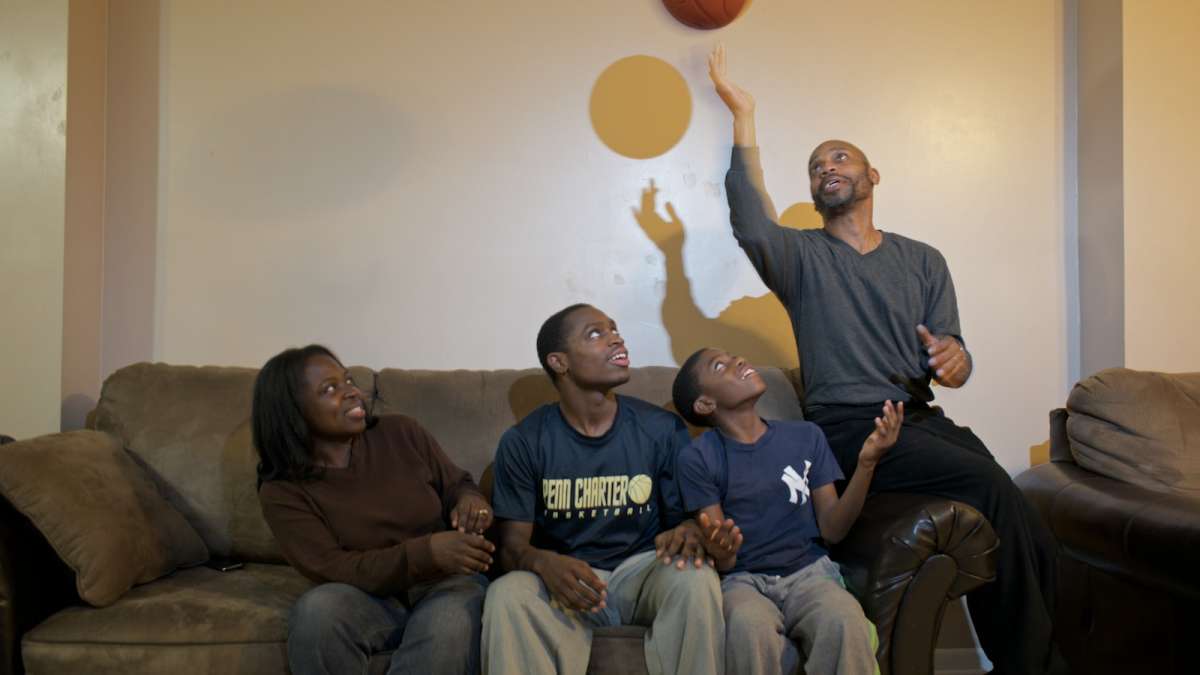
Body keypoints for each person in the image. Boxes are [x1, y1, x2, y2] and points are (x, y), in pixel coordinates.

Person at [708, 45, 1066, 675]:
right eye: (816, 165)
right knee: (988, 487)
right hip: (849, 427)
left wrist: (956, 362)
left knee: (1012, 506)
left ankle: (1050, 650)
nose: (826, 168)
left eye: (840, 157)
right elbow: (750, 221)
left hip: (919, 419)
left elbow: (951, 358)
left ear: (873, 178)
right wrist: (743, 118)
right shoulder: (800, 259)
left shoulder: (923, 260)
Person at [482, 304, 724, 675]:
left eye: (614, 329)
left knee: (696, 578)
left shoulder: (661, 429)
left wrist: (690, 529)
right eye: (596, 333)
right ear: (559, 362)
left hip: (643, 572)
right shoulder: (524, 441)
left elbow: (687, 521)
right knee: (506, 594)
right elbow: (512, 548)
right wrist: (541, 561)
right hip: (570, 582)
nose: (616, 338)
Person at [253, 344, 494, 675]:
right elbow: (331, 568)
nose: (352, 392)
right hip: (368, 596)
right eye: (330, 389)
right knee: (316, 612)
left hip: (446, 584)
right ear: (293, 412)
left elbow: (456, 484)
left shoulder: (401, 432)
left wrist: (471, 501)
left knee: (450, 625)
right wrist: (425, 553)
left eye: (348, 380)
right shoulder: (282, 490)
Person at [672, 347, 899, 675]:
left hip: (811, 573)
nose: (738, 359)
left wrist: (867, 463)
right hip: (743, 581)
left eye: (733, 356)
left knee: (844, 618)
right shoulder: (697, 458)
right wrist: (721, 549)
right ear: (706, 404)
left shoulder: (806, 436)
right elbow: (726, 559)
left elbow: (833, 529)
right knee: (748, 626)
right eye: (720, 365)